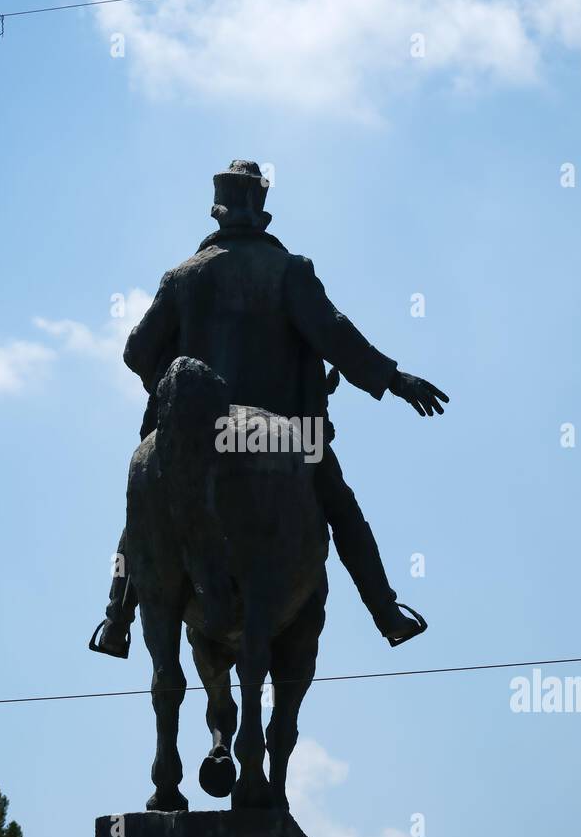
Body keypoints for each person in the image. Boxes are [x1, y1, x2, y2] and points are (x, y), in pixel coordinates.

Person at [90, 160, 449, 658]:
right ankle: (386, 612)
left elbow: (135, 352)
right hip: (281, 436)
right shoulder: (288, 271)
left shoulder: (182, 278)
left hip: (199, 432)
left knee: (138, 520)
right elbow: (333, 332)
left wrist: (174, 390)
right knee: (342, 509)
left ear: (218, 214)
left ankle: (116, 620)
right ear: (260, 211)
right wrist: (392, 378)